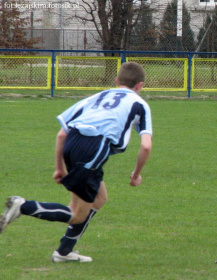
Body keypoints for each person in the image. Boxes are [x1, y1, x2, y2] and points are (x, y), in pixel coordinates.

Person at [0, 62, 153, 263]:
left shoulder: (96, 97)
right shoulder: (139, 103)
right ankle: (23, 206)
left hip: (72, 143)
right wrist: (135, 175)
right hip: (94, 147)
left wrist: (59, 167)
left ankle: (64, 251)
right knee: (77, 213)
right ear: (140, 85)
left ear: (116, 81)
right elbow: (146, 146)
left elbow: (62, 133)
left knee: (99, 198)